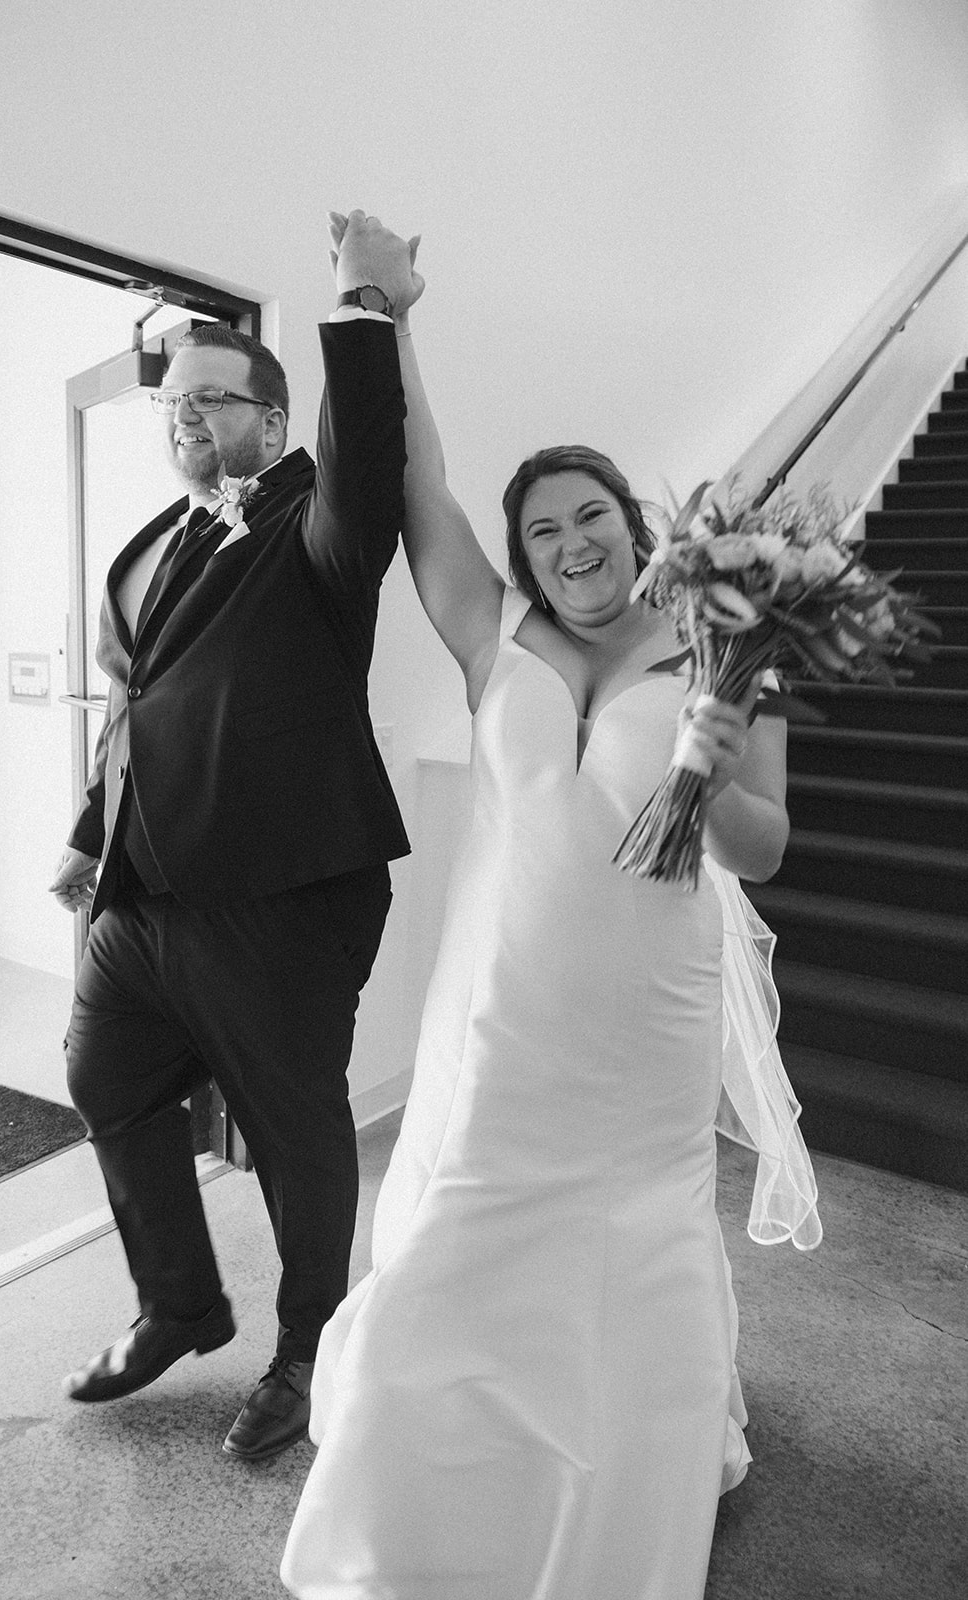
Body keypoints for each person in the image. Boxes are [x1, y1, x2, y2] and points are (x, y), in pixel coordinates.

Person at [280, 222, 820, 1598]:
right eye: (542, 530)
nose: (568, 542)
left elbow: (759, 851)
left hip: (643, 1018)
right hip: (500, 1013)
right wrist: (388, 311)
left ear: (631, 535)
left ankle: (619, 1494)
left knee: (621, 1261)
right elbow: (416, 481)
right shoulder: (488, 635)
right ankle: (411, 1513)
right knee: (459, 1223)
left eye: (590, 518)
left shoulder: (723, 647)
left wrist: (704, 769)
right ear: (520, 554)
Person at [49, 210, 421, 1464]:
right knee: (104, 1082)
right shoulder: (147, 544)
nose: (183, 416)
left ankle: (310, 1347)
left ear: (270, 420)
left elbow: (366, 454)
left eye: (213, 400)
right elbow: (132, 706)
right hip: (138, 898)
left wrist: (362, 309)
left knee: (292, 1128)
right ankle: (177, 1303)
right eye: (173, 401)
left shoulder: (316, 529)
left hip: (281, 895)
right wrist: (86, 831)